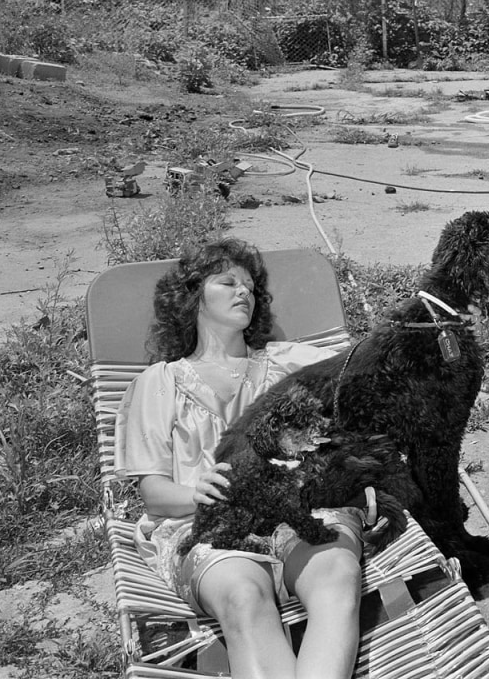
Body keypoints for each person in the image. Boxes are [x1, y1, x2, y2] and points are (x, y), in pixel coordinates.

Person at [114, 238, 363, 679]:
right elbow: (153, 495)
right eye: (226, 282)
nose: (242, 292)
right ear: (193, 296)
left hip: (301, 510)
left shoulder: (289, 362)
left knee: (338, 574)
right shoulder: (159, 382)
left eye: (249, 286)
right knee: (244, 598)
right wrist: (197, 492)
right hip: (209, 526)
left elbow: (363, 374)